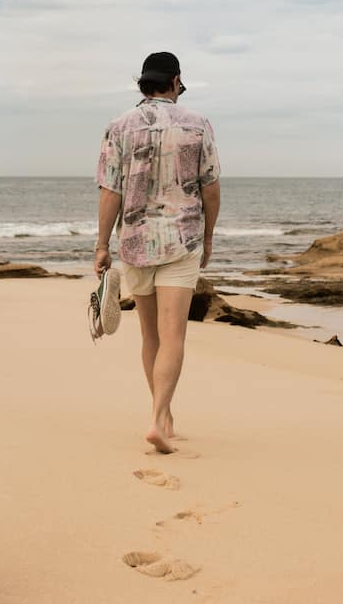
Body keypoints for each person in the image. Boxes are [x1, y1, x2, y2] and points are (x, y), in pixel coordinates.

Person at [94, 52, 221, 454]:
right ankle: (158, 419)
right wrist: (210, 236)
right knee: (173, 336)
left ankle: (161, 416)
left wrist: (101, 244)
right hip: (181, 240)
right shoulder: (198, 124)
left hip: (134, 241)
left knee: (150, 336)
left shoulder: (119, 126)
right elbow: (211, 188)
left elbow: (110, 190)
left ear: (143, 83)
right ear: (176, 81)